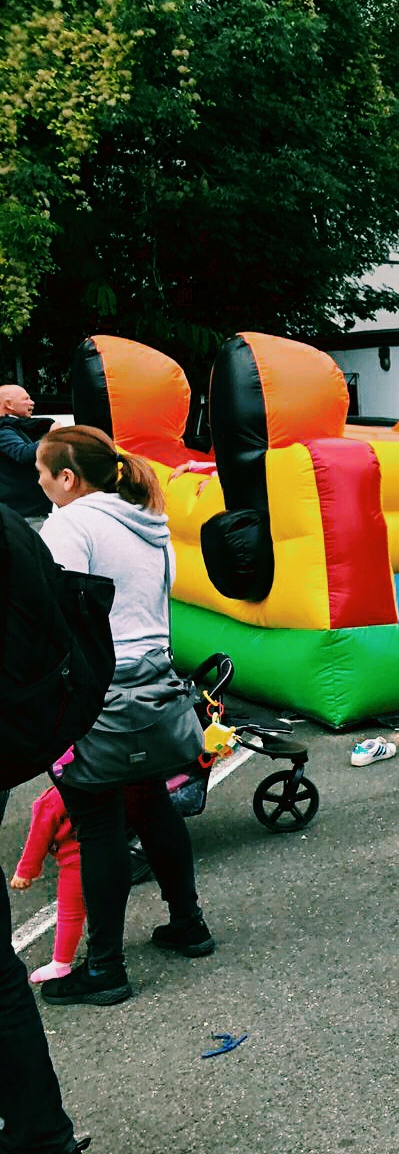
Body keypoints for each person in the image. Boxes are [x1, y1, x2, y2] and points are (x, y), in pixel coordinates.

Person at [34, 425, 214, 1007]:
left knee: (97, 820)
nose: (37, 483)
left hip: (99, 692)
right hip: (155, 686)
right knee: (151, 801)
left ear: (68, 477)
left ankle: (105, 968)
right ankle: (188, 924)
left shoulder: (70, 523)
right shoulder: (151, 524)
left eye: (42, 472)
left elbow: (59, 610)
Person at [11, 784, 85, 984]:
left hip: (75, 862)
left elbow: (39, 836)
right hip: (109, 851)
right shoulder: (102, 778)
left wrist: (26, 871)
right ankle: (106, 950)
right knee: (106, 907)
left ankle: (61, 963)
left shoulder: (53, 798)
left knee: (70, 913)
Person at [0, 384, 53, 525]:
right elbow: (23, 454)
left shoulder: (15, 428)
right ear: (9, 404)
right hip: (25, 515)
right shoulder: (3, 431)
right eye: (26, 399)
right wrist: (52, 437)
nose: (32, 402)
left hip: (27, 512)